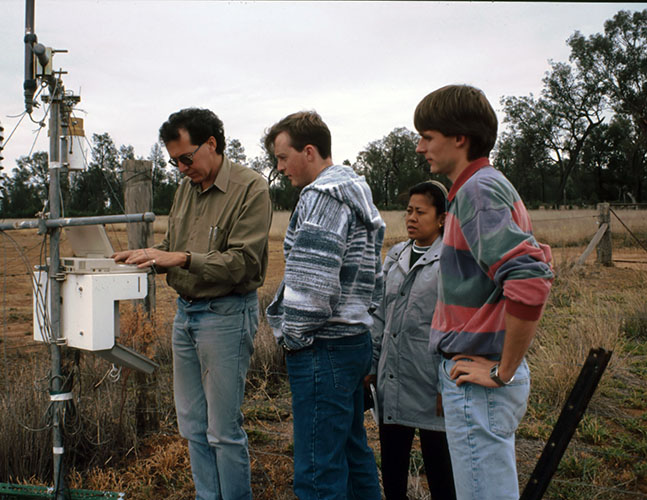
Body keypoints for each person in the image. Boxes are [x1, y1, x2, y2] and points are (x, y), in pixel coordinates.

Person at [113, 108, 272, 500]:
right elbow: (173, 247)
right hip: (186, 315)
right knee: (192, 426)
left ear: (212, 144)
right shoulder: (186, 188)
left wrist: (181, 259)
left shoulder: (251, 189)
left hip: (227, 315)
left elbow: (243, 263)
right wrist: (148, 255)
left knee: (223, 431)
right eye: (174, 162)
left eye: (186, 158)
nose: (182, 169)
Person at [413, 85, 554, 500]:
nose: (421, 147)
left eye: (428, 136)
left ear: (460, 137)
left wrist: (502, 370)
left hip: (480, 383)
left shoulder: (478, 192)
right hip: (476, 380)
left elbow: (529, 279)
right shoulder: (476, 189)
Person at [264, 111, 383, 500]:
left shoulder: (321, 196)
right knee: (352, 451)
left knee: (318, 471)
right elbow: (373, 278)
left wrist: (293, 336)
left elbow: (313, 284)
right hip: (352, 340)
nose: (280, 168)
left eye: (283, 158)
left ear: (310, 151)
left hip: (323, 345)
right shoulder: (355, 191)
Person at [366, 180, 456, 500]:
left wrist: (450, 384)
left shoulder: (452, 261)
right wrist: (373, 364)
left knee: (441, 471)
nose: (411, 218)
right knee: (392, 470)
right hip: (393, 377)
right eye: (408, 211)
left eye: (421, 212)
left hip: (432, 382)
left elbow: (458, 326)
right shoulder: (395, 255)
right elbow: (378, 312)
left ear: (442, 218)